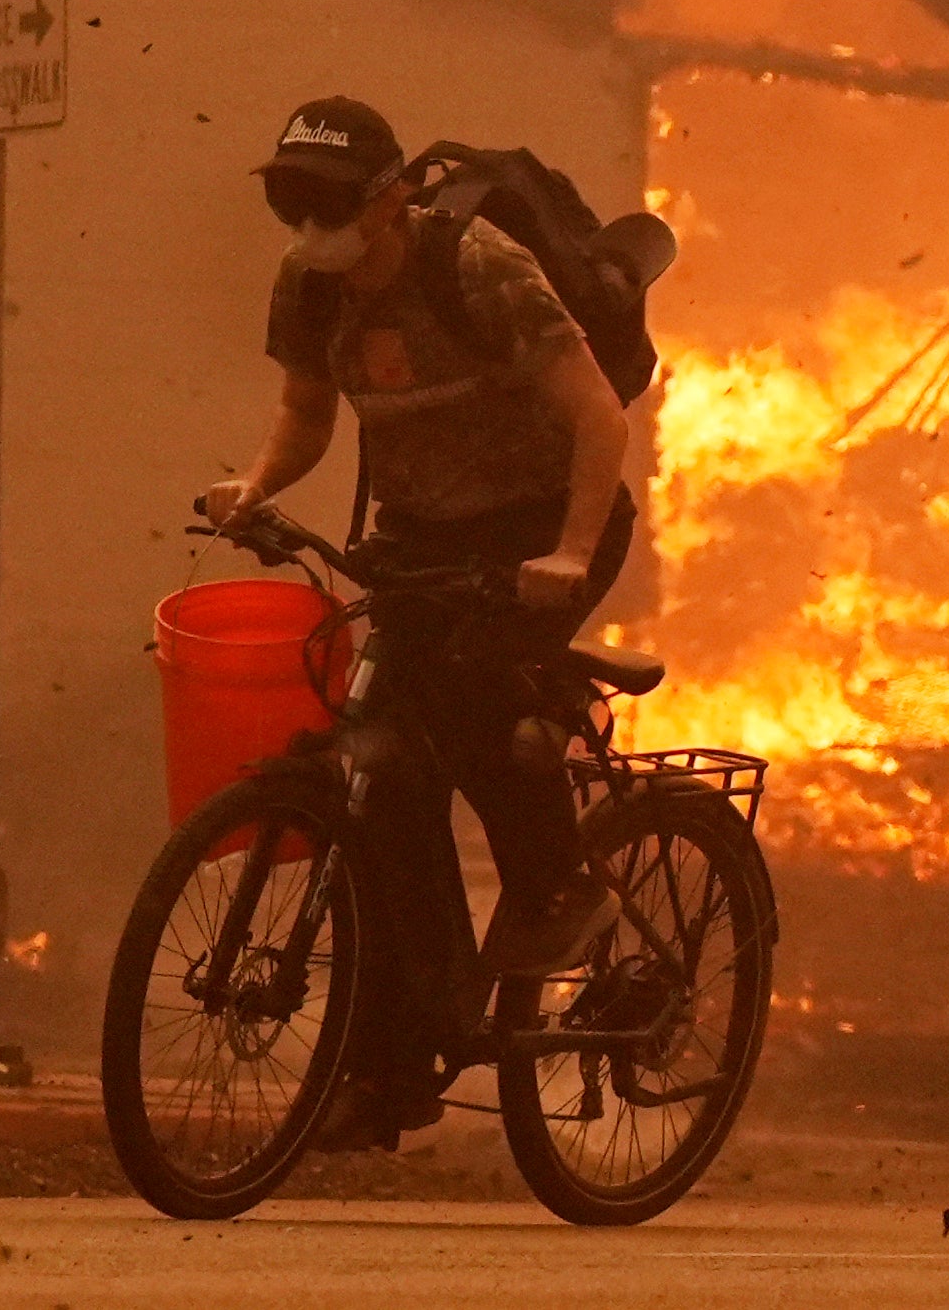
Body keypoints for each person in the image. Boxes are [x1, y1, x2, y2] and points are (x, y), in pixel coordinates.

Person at [197, 94, 636, 1146]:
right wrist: (255, 484)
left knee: (483, 703)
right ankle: (400, 1061)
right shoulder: (309, 284)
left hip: (545, 522)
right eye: (291, 202)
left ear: (391, 198)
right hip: (422, 532)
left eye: (331, 202)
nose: (311, 225)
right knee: (384, 783)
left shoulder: (475, 266)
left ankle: (561, 888)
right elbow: (306, 413)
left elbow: (598, 415)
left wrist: (568, 557)